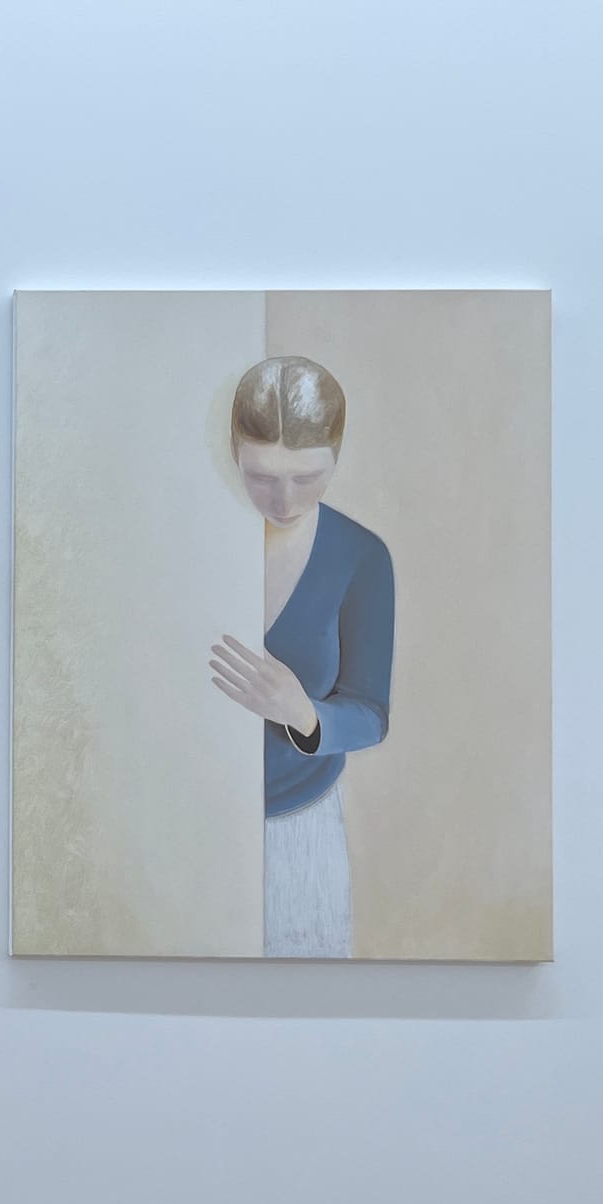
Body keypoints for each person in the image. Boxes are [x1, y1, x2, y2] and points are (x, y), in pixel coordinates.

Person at [208, 356, 395, 959]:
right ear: (234, 451)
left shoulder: (361, 556)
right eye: (261, 476)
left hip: (300, 830)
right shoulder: (195, 542)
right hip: (190, 819)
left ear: (337, 456)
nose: (284, 501)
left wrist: (303, 714)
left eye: (308, 477)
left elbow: (370, 713)